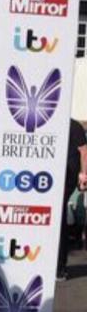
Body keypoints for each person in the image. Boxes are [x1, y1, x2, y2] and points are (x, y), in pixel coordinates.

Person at [58, 118, 87, 280]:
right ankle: (58, 267)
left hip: (65, 176)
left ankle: (59, 267)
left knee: (59, 217)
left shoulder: (73, 126)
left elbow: (84, 151)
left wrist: (83, 175)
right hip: (54, 177)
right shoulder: (70, 124)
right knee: (58, 217)